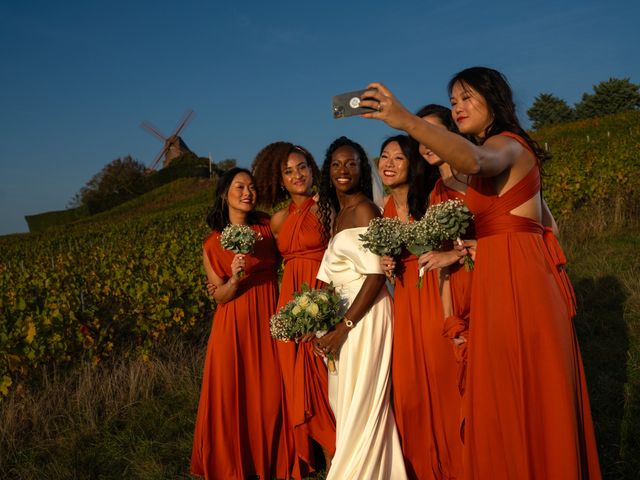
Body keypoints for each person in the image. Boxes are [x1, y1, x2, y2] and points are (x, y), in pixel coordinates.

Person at [360, 68, 601, 479]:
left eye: (466, 97)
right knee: (502, 391)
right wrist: (484, 244)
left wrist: (405, 121)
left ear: (494, 100)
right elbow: (546, 225)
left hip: (519, 283)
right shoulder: (486, 159)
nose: (457, 106)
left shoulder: (506, 144)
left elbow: (474, 159)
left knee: (523, 387)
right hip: (501, 271)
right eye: (453, 100)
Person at [313, 136, 407, 480]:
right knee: (345, 400)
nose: (343, 170)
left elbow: (376, 277)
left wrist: (343, 328)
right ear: (328, 170)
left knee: (362, 402)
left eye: (351, 163)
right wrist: (317, 319)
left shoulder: (366, 209)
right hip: (344, 314)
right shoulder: (340, 215)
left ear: (361, 169)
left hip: (364, 317)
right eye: (337, 164)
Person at [377, 134, 464, 479]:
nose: (388, 164)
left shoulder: (434, 198)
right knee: (410, 385)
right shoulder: (384, 208)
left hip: (436, 290)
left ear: (413, 164)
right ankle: (422, 468)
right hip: (404, 298)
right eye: (384, 156)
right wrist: (385, 260)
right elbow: (388, 253)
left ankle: (459, 464)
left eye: (398, 158)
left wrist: (454, 253)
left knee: (443, 378)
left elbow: (469, 240)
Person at [191, 168, 286, 480]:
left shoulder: (267, 227)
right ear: (224, 194)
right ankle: (236, 465)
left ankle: (271, 461)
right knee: (234, 398)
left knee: (271, 393)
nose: (248, 192)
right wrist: (234, 278)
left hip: (268, 316)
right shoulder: (211, 244)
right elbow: (219, 296)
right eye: (239, 186)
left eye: (252, 187)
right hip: (232, 327)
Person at [251, 142, 336, 478]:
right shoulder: (277, 220)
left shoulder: (327, 207)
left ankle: (336, 461)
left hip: (321, 295)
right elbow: (263, 262)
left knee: (326, 381)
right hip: (290, 302)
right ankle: (309, 454)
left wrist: (324, 306)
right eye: (289, 171)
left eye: (302, 167)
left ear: (312, 169)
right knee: (296, 380)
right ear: (280, 179)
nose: (297, 175)